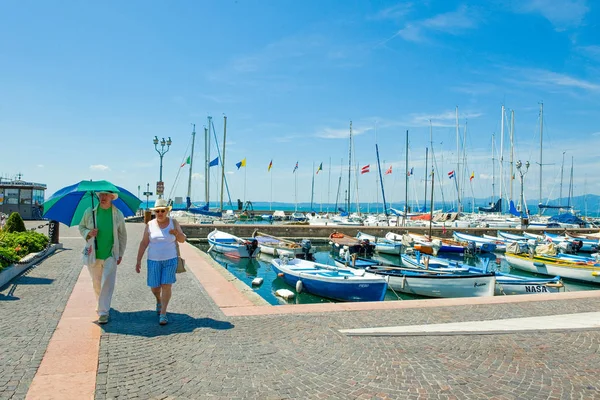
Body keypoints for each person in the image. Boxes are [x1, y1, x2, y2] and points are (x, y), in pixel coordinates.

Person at [78, 191, 127, 324]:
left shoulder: (117, 214)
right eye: (101, 195)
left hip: (111, 253)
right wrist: (89, 232)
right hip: (93, 253)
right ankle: (101, 305)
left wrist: (120, 253)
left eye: (106, 195)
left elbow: (122, 235)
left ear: (112, 197)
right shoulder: (90, 212)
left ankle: (103, 312)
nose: (103, 198)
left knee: (107, 283)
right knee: (97, 283)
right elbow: (81, 227)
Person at [135, 198, 186, 325]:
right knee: (155, 287)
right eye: (157, 211)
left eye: (162, 211)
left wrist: (176, 234)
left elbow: (182, 239)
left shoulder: (173, 223)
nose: (160, 213)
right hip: (153, 260)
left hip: (170, 259)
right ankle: (158, 300)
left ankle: (163, 313)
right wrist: (138, 260)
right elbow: (144, 243)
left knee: (166, 285)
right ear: (155, 212)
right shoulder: (150, 225)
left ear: (167, 211)